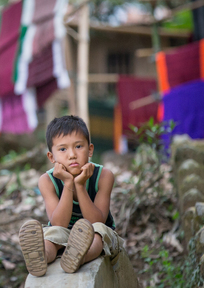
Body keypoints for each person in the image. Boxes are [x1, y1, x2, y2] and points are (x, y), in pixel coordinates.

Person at [19, 115, 138, 286]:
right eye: (63, 149)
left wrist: (80, 186)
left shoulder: (103, 176)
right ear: (51, 157)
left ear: (90, 150)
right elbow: (58, 222)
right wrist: (68, 183)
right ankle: (41, 257)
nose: (72, 155)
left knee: (98, 233)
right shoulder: (47, 181)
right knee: (51, 236)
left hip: (95, 234)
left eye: (78, 146)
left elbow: (96, 220)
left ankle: (78, 257)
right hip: (64, 232)